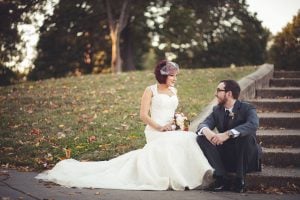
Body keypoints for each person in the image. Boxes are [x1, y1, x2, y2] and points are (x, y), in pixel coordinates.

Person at [36, 60, 213, 190]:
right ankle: (179, 179)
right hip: (155, 130)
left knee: (189, 137)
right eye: (172, 76)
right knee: (171, 142)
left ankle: (201, 175)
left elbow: (173, 111)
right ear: (164, 75)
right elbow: (143, 115)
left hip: (170, 128)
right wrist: (160, 127)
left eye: (176, 76)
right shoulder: (150, 90)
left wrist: (178, 122)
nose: (175, 79)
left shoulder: (174, 91)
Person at [196, 80, 262, 193]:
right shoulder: (217, 110)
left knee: (245, 134)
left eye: (218, 90)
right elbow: (202, 124)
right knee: (201, 137)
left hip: (245, 158)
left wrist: (228, 134)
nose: (215, 94)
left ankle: (240, 179)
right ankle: (222, 177)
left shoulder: (247, 108)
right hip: (226, 157)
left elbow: (253, 124)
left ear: (229, 93)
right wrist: (208, 132)